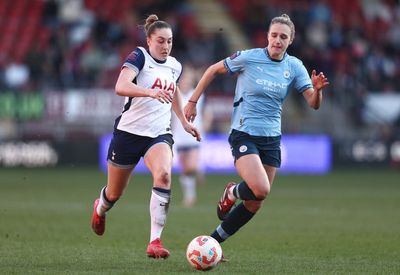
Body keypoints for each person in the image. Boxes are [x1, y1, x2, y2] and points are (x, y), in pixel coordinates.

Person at [184, 14, 329, 250]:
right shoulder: (249, 58)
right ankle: (231, 191)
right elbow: (211, 70)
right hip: (244, 133)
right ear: (267, 36)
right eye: (274, 35)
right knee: (260, 188)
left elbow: (313, 103)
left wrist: (318, 90)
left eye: (283, 37)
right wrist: (192, 101)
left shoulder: (294, 66)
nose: (277, 41)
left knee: (255, 202)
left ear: (290, 40)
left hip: (271, 138)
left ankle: (213, 243)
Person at [91, 14, 201, 259]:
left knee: (163, 175)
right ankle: (100, 207)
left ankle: (155, 241)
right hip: (128, 134)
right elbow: (121, 86)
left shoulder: (175, 65)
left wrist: (183, 120)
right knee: (114, 193)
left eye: (170, 41)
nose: (166, 46)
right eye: (160, 41)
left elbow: (172, 93)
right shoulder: (139, 56)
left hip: (159, 134)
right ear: (149, 40)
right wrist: (149, 93)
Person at [171, 64, 212, 207]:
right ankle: (189, 197)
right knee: (185, 170)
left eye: (188, 80)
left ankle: (199, 169)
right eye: (184, 81)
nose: (185, 83)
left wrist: (206, 122)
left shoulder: (196, 95)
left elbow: (207, 111)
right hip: (179, 137)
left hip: (194, 136)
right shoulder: (175, 95)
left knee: (191, 167)